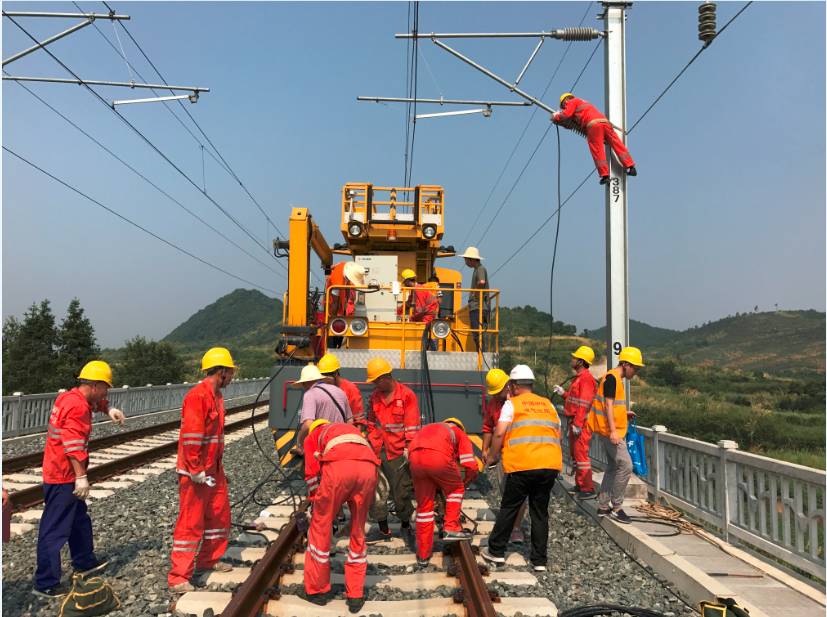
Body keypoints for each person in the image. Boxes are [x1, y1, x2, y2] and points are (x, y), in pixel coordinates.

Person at [33, 360, 126, 598]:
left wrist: (108, 409)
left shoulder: (71, 397)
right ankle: (46, 582)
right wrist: (81, 477)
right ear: (94, 385)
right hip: (63, 475)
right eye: (106, 387)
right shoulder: (78, 408)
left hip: (59, 471)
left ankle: (84, 561)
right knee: (54, 530)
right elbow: (73, 445)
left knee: (78, 521)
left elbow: (94, 403)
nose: (107, 391)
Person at [168, 347, 237, 593]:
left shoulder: (216, 396)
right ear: (222, 372)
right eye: (230, 372)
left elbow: (213, 438)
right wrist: (195, 469)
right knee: (191, 523)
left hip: (213, 470)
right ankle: (179, 577)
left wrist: (218, 469)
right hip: (196, 473)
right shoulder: (198, 396)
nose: (232, 377)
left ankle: (209, 560)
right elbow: (192, 437)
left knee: (219, 515)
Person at [482, 364, 562, 572]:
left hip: (522, 465)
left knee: (509, 507)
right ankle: (539, 561)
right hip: (549, 465)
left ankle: (496, 552)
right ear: (532, 384)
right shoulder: (548, 405)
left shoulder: (512, 404)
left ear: (515, 386)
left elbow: (499, 433)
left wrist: (491, 456)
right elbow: (557, 433)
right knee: (540, 512)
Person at [302, 419, 379, 613]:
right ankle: (355, 595)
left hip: (338, 470)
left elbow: (312, 473)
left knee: (320, 527)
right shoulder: (348, 430)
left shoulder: (313, 435)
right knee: (358, 531)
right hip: (368, 470)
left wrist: (315, 500)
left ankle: (317, 591)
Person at [408, 418, 478, 566]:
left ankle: (423, 554)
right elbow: (470, 465)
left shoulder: (430, 428)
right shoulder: (459, 433)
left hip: (414, 458)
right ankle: (451, 527)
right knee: (456, 489)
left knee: (424, 508)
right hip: (437, 456)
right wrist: (465, 482)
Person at [586, 346, 644, 524]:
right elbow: (608, 406)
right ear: (625, 364)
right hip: (612, 432)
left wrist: (624, 413)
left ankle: (603, 506)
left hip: (612, 430)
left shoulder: (615, 379)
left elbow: (613, 405)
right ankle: (617, 507)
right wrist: (613, 431)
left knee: (612, 466)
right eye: (635, 367)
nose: (636, 371)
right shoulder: (612, 378)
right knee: (625, 465)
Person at [364, 357, 420, 541]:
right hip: (377, 451)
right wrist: (370, 440)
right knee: (376, 493)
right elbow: (371, 422)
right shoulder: (374, 396)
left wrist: (409, 448)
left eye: (375, 381)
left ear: (385, 377)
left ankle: (405, 524)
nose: (374, 384)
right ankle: (383, 528)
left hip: (397, 453)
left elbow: (412, 425)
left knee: (401, 494)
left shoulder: (406, 395)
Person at [482, 368, 527, 544]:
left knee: (518, 493)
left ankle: (516, 528)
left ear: (508, 385)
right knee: (505, 491)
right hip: (501, 454)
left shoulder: (519, 401)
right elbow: (487, 428)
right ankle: (510, 523)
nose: (497, 395)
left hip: (519, 453)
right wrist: (485, 450)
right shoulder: (493, 403)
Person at [552, 92, 637, 185]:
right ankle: (631, 166)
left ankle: (605, 175)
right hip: (605, 123)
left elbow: (565, 115)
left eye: (563, 106)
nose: (564, 107)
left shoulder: (571, 102)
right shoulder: (583, 102)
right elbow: (572, 122)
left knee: (597, 149)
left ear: (565, 100)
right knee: (617, 144)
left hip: (593, 125)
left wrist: (556, 116)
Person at [553, 345, 598, 499]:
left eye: (574, 357)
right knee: (576, 454)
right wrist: (563, 393)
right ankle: (580, 484)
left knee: (581, 455)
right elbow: (575, 401)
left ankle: (587, 488)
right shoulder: (580, 379)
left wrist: (578, 424)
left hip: (580, 423)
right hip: (575, 421)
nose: (571, 359)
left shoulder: (586, 379)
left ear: (580, 361)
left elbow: (584, 404)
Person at [294, 363, 353, 455]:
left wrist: (299, 442)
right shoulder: (339, 391)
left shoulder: (310, 394)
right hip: (342, 442)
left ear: (304, 383)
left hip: (323, 445)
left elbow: (308, 424)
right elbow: (350, 420)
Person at [318, 353, 365, 429]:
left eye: (327, 375)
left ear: (336, 373)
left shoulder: (350, 389)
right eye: (322, 375)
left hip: (344, 434)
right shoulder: (320, 389)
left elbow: (358, 420)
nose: (325, 379)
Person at [326, 261, 366, 348]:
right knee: (333, 337)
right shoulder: (337, 280)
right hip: (332, 310)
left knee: (339, 334)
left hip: (341, 309)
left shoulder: (345, 266)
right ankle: (332, 345)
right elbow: (334, 303)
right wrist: (332, 321)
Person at [460, 246, 490, 352]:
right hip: (479, 306)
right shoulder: (477, 270)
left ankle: (481, 354)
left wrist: (476, 295)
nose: (465, 262)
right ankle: (481, 353)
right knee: (478, 332)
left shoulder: (480, 269)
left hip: (478, 306)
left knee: (478, 332)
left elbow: (481, 282)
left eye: (466, 259)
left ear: (471, 259)